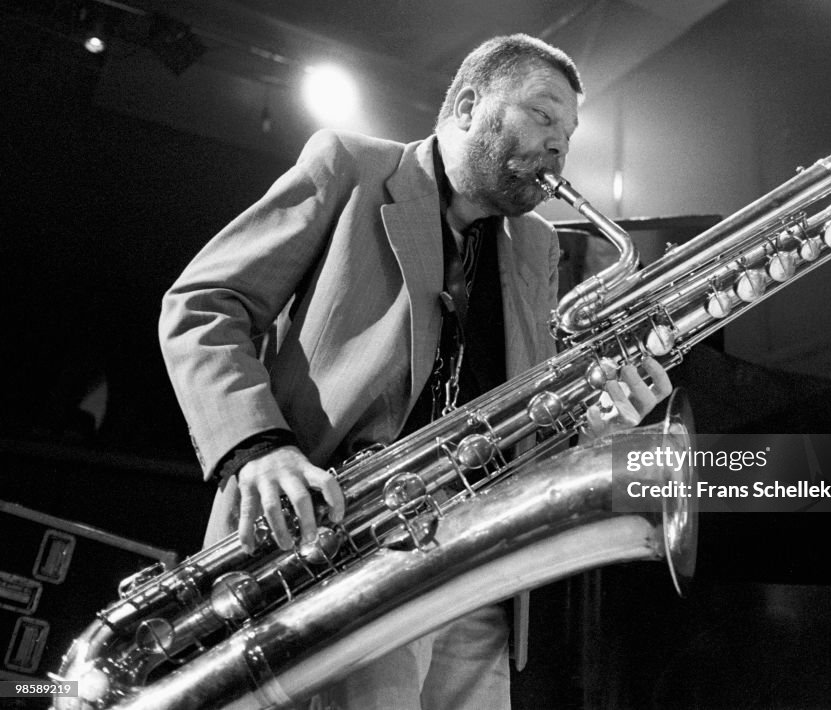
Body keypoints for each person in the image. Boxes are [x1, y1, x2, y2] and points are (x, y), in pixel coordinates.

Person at [159, 33, 669, 710]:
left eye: (568, 133)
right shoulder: (350, 164)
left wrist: (599, 425)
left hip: (476, 577)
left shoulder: (537, 246)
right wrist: (257, 448)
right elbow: (203, 306)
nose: (558, 148)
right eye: (543, 117)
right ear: (466, 106)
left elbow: (531, 420)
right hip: (343, 547)